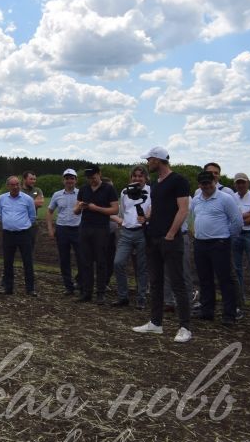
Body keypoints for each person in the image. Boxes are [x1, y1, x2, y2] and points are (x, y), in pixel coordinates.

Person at [133, 146, 193, 343]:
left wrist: (171, 233)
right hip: (153, 237)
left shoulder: (179, 181)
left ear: (158, 160)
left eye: (149, 160)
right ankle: (155, 323)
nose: (148, 163)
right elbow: (157, 208)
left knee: (178, 283)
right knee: (156, 282)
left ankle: (185, 327)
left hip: (170, 239)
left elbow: (183, 210)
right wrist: (147, 217)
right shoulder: (156, 184)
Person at [191, 170, 242, 325]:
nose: (206, 186)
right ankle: (207, 311)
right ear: (199, 185)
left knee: (224, 280)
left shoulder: (225, 198)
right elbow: (194, 216)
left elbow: (237, 222)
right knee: (204, 279)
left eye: (209, 183)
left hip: (219, 243)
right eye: (203, 184)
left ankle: (229, 314)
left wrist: (225, 237)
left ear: (214, 182)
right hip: (200, 243)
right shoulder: (196, 199)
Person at [73, 167, 118, 304]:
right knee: (85, 261)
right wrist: (80, 206)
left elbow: (115, 209)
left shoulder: (108, 189)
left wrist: (96, 208)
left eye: (93, 177)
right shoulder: (84, 189)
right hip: (85, 227)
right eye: (89, 178)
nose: (91, 180)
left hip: (101, 229)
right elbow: (75, 211)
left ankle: (100, 293)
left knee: (101, 261)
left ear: (99, 174)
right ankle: (86, 292)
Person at [111, 166, 151, 308]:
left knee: (141, 267)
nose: (137, 178)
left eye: (140, 176)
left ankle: (141, 299)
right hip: (126, 232)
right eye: (134, 176)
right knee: (118, 263)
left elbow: (154, 209)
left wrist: (147, 217)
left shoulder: (151, 191)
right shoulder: (124, 192)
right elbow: (122, 211)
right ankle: (123, 297)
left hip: (143, 232)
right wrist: (122, 222)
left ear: (146, 178)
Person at [0, 176, 37, 296]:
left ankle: (30, 289)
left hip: (24, 234)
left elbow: (32, 216)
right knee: (8, 262)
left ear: (20, 185)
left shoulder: (28, 199)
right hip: (8, 234)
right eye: (12, 185)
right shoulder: (2, 198)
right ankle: (8, 288)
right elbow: (0, 215)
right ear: (8, 186)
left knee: (28, 262)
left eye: (17, 184)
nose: (15, 187)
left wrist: (22, 225)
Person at [46, 169, 82, 295]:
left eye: (72, 178)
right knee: (64, 259)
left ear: (76, 180)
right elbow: (49, 211)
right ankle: (68, 286)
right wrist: (50, 229)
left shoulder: (81, 193)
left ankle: (81, 282)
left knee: (82, 258)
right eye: (67, 178)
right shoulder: (57, 195)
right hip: (62, 229)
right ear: (63, 180)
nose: (69, 181)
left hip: (78, 229)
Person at [231, 173, 250, 308]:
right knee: (236, 269)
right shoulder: (231, 198)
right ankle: (240, 299)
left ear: (248, 183)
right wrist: (244, 215)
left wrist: (239, 217)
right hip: (236, 235)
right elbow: (231, 217)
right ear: (235, 184)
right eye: (238, 183)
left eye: (243, 182)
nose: (241, 185)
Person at [21, 171, 45, 249]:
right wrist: (33, 202)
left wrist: (23, 203)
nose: (33, 181)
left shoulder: (37, 190)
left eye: (34, 179)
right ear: (24, 179)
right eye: (31, 179)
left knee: (30, 247)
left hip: (32, 224)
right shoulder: (18, 190)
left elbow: (40, 203)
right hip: (19, 223)